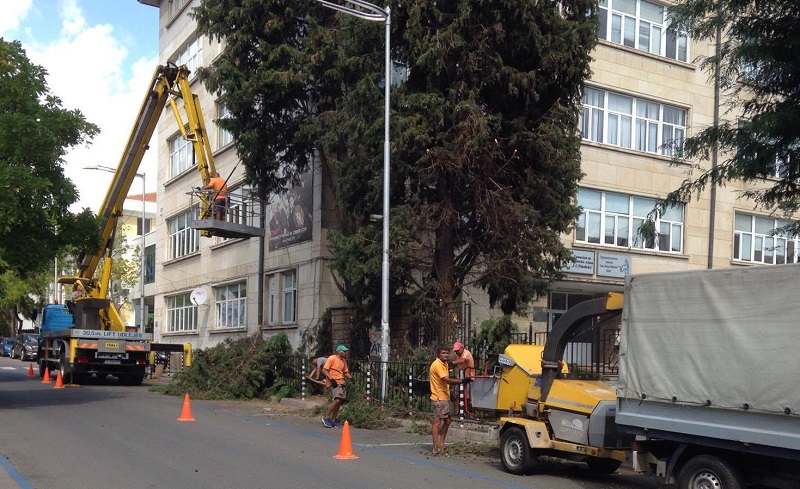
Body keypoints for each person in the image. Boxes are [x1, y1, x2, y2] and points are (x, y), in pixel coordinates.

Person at [429, 344, 471, 455]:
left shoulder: (445, 364)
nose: (445, 355)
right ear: (438, 354)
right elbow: (447, 380)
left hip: (444, 396)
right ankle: (435, 447)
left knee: (447, 420)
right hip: (438, 397)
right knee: (437, 422)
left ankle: (441, 444)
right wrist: (462, 381)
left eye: (447, 353)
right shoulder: (437, 365)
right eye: (443, 353)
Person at [322, 345, 352, 428]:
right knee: (338, 399)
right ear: (339, 351)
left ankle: (333, 420)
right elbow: (324, 370)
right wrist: (331, 379)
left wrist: (351, 378)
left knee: (340, 401)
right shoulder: (332, 358)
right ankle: (326, 417)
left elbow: (345, 372)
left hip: (341, 382)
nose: (345, 353)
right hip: (334, 382)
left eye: (346, 351)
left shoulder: (343, 361)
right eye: (344, 351)